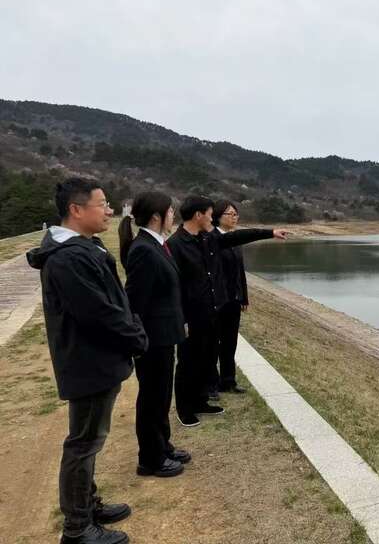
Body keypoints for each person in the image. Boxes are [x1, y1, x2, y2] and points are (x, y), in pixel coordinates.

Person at [27, 178, 148, 544]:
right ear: (76, 210)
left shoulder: (83, 248)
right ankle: (77, 528)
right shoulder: (69, 258)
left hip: (95, 360)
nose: (109, 211)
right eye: (102, 204)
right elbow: (99, 314)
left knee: (90, 439)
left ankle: (87, 504)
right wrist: (136, 338)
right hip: (88, 363)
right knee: (83, 444)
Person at [167, 196, 287, 426]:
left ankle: (201, 400)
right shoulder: (176, 244)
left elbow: (236, 237)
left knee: (207, 357)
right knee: (188, 362)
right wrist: (181, 318)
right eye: (209, 214)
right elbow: (174, 286)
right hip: (191, 315)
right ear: (198, 215)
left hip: (212, 310)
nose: (211, 218)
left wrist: (270, 232)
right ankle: (185, 409)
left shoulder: (207, 238)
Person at [119, 191, 191, 479]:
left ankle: (163, 445)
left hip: (164, 335)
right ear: (156, 217)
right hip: (152, 338)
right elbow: (135, 299)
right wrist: (139, 339)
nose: (174, 216)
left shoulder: (156, 244)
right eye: (170, 211)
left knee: (161, 395)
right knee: (151, 397)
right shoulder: (143, 250)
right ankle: (150, 458)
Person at [211, 200, 248, 394]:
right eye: (230, 214)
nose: (234, 218)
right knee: (213, 342)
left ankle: (228, 380)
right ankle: (212, 382)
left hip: (234, 300)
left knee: (230, 341)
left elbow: (240, 272)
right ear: (218, 216)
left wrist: (244, 297)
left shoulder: (235, 240)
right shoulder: (213, 239)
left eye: (236, 214)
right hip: (218, 301)